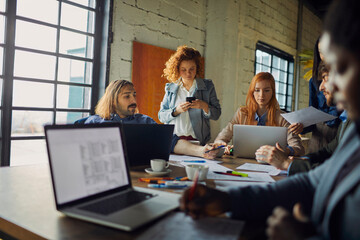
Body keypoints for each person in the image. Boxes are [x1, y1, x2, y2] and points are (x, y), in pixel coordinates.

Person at [180, 0, 360, 239]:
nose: (329, 89)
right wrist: (228, 199)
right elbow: (313, 183)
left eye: (342, 67)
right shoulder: (354, 133)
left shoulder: (286, 117)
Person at [256, 62, 352, 175]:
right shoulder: (346, 118)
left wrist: (287, 163)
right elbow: (328, 151)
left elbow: (341, 173)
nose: (320, 87)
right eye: (257, 90)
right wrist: (298, 160)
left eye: (326, 79)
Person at [83, 79, 219, 159]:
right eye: (127, 96)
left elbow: (172, 142)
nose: (133, 100)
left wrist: (202, 151)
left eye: (134, 95)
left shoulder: (144, 121)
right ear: (113, 101)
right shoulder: (96, 122)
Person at [214, 72, 304, 157]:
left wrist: (286, 150)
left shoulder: (283, 118)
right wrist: (223, 145)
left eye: (267, 90)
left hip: (272, 165)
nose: (261, 95)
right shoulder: (242, 113)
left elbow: (299, 149)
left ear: (273, 92)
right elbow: (220, 139)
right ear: (252, 92)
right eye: (257, 90)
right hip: (241, 163)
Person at [158, 45, 221, 146]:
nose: (188, 73)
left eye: (192, 69)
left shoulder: (208, 86)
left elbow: (217, 114)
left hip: (198, 142)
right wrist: (176, 111)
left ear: (197, 68)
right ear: (177, 69)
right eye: (183, 69)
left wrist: (204, 106)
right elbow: (161, 116)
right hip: (173, 141)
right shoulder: (171, 88)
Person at [304, 37, 343, 153]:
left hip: (340, 129)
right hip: (320, 134)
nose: (324, 56)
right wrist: (302, 126)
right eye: (320, 52)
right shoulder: (314, 81)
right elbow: (312, 111)